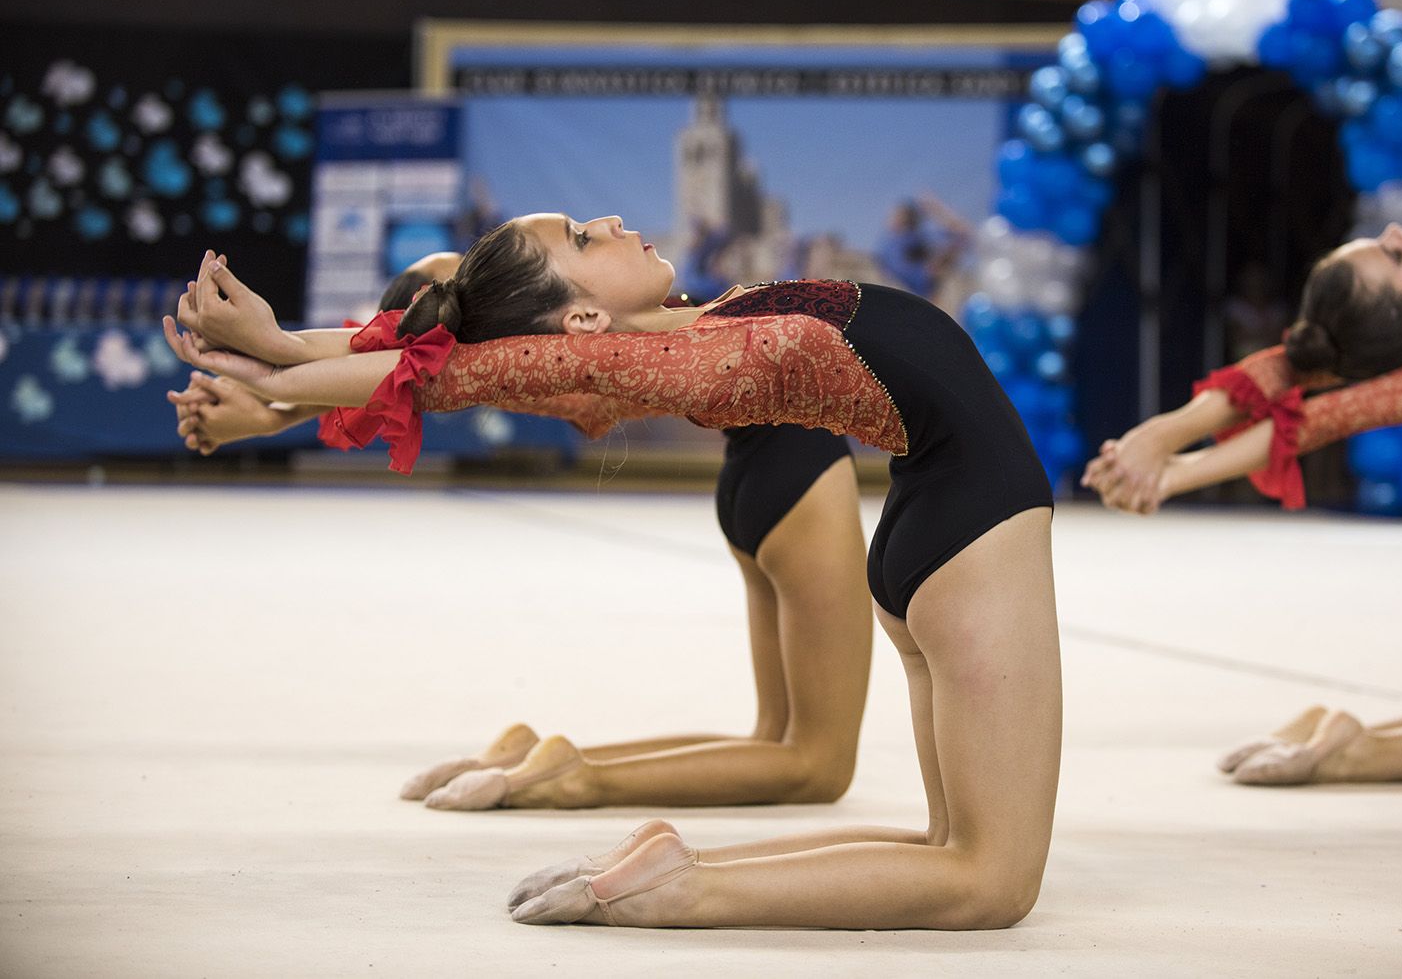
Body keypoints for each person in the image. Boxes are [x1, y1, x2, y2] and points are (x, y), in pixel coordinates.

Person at [163, 214, 1062, 930]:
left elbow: (464, 354)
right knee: (986, 884)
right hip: (968, 528)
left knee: (948, 845)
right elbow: (464, 371)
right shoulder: (700, 354)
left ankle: (680, 868)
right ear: (586, 317)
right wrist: (278, 361)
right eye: (585, 240)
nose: (611, 220)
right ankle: (685, 894)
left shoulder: (697, 324)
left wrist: (288, 363)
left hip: (932, 528)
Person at [167, 254, 873, 812]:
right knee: (815, 765)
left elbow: (433, 363)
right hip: (799, 471)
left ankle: (537, 758)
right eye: (583, 234)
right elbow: (436, 363)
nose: (608, 230)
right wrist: (276, 385)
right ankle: (569, 778)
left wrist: (279, 397)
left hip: (753, 486)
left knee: (775, 744)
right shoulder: (585, 317)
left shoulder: (577, 325)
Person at [1083, 224, 1402, 786]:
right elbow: (1323, 412)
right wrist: (1166, 464)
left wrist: (1165, 447)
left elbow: (1286, 369)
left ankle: (1331, 731)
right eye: (1393, 254)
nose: (1398, 231)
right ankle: (1352, 753)